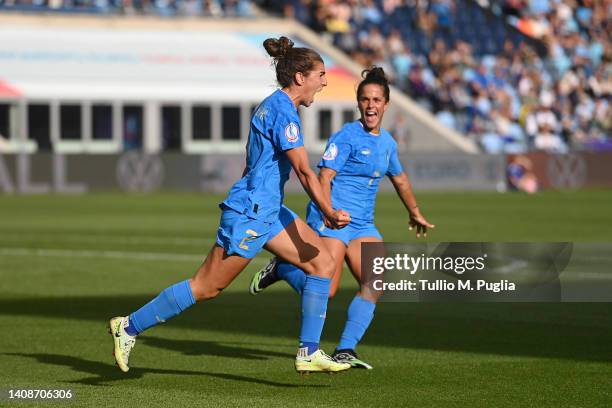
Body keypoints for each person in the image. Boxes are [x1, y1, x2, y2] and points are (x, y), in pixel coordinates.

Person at [108, 36, 353, 374]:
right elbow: (304, 172)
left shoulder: (273, 105)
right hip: (252, 211)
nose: (325, 82)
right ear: (300, 77)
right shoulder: (284, 113)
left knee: (322, 264)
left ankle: (308, 352)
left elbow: (254, 162)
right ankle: (129, 326)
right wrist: (328, 211)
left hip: (267, 209)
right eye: (321, 75)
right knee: (207, 287)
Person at [249, 67, 434, 369]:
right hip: (332, 219)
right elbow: (325, 175)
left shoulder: (387, 143)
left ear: (386, 104)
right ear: (359, 103)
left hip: (362, 224)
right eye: (365, 99)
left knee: (375, 283)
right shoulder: (346, 136)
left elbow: (399, 179)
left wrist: (414, 212)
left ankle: (346, 349)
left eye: (376, 100)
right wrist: (327, 212)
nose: (370, 105)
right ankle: (283, 269)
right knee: (329, 288)